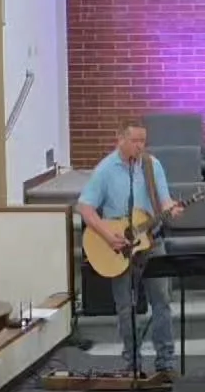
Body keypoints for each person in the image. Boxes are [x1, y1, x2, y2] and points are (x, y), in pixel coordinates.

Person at [76, 118, 183, 377]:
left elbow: (164, 199)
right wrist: (107, 235)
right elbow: (85, 207)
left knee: (162, 302)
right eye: (134, 140)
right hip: (119, 246)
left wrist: (171, 208)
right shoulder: (105, 169)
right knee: (126, 307)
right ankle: (132, 362)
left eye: (143, 141)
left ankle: (165, 362)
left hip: (151, 241)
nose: (139, 146)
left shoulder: (152, 165)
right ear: (120, 139)